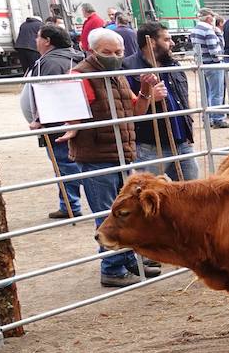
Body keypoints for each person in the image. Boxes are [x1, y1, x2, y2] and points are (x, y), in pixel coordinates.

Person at [60, 26, 164, 286]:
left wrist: (144, 88)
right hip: (97, 154)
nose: (115, 56)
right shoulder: (80, 75)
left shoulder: (117, 75)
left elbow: (136, 110)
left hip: (121, 153)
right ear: (91, 50)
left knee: (124, 210)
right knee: (107, 213)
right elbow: (70, 113)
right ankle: (112, 267)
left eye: (119, 51)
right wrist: (66, 124)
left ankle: (128, 259)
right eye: (108, 52)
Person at [21, 23, 85, 219]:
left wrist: (39, 119)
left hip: (57, 123)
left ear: (47, 41)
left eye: (39, 37)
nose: (36, 40)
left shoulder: (50, 62)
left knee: (66, 165)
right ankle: (68, 203)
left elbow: (48, 93)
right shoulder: (75, 56)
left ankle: (70, 205)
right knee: (70, 163)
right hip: (70, 119)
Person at [125, 21, 198, 181]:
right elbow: (128, 111)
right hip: (150, 145)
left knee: (192, 194)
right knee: (147, 194)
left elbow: (183, 99)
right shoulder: (128, 68)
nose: (172, 43)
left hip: (182, 142)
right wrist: (150, 98)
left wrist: (187, 128)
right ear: (151, 42)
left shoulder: (173, 64)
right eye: (166, 39)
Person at [189, 8, 228, 128]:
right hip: (213, 64)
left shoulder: (194, 30)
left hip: (203, 64)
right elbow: (215, 51)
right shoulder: (209, 31)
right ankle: (218, 118)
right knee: (217, 93)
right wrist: (219, 34)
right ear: (209, 18)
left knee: (206, 92)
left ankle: (207, 117)